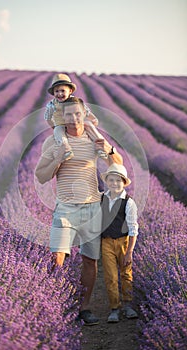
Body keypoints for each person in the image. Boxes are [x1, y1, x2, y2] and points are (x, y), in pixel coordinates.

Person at [35, 97, 123, 326]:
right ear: (62, 117)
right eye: (68, 115)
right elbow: (41, 176)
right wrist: (57, 158)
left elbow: (118, 165)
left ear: (84, 114)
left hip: (92, 207)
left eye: (77, 114)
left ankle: (84, 308)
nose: (73, 119)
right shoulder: (54, 141)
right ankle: (56, 304)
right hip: (65, 208)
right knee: (57, 257)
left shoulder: (94, 138)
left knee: (90, 260)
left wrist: (109, 149)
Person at [100, 163, 139, 323]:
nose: (114, 183)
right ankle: (114, 308)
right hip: (106, 242)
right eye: (111, 180)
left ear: (123, 183)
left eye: (118, 180)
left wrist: (129, 251)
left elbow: (133, 228)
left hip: (123, 242)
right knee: (110, 276)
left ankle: (128, 305)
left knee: (126, 273)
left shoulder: (129, 202)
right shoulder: (101, 198)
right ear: (107, 181)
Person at [44, 73, 108, 160]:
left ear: (70, 91)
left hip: (77, 123)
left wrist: (93, 119)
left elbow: (86, 111)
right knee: (59, 133)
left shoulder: (75, 102)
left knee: (89, 125)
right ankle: (67, 150)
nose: (59, 94)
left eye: (63, 91)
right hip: (61, 125)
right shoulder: (52, 104)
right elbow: (48, 117)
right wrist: (54, 127)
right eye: (57, 91)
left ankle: (101, 147)